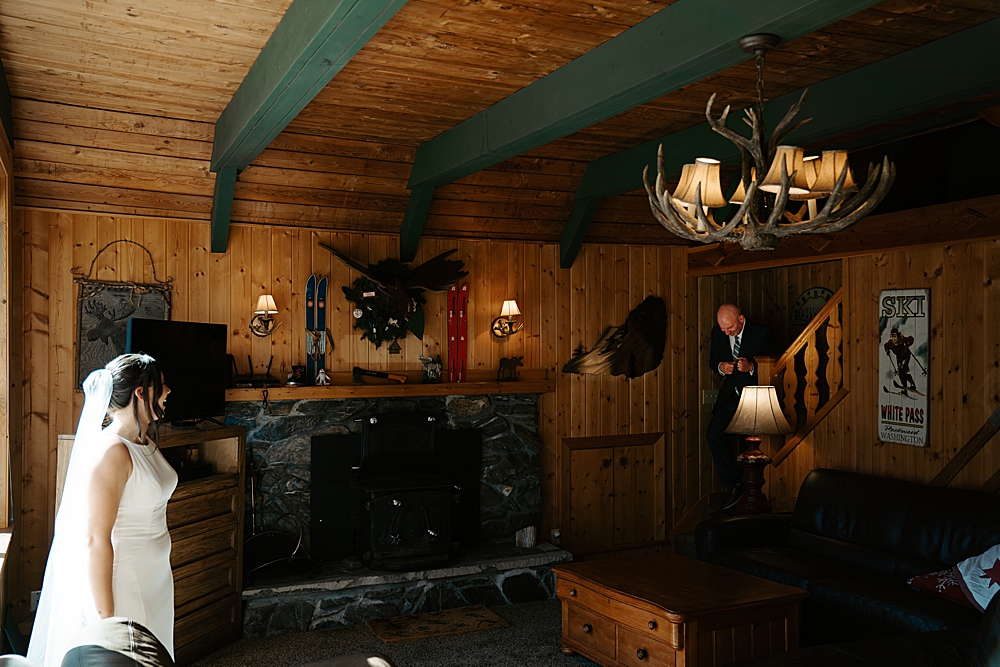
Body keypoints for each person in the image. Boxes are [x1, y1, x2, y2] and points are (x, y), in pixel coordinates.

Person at [28, 354, 178, 667]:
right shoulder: (111, 451)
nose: (167, 391)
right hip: (126, 583)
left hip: (156, 578)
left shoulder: (143, 441)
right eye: (161, 385)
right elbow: (95, 539)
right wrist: (107, 621)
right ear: (141, 392)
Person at [707, 304, 779, 508]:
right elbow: (713, 361)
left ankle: (749, 489)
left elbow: (777, 365)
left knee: (745, 442)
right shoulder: (718, 333)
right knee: (714, 434)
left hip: (755, 396)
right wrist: (721, 367)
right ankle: (735, 484)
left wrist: (752, 368)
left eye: (729, 328)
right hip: (731, 396)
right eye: (723, 329)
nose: (726, 332)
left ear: (740, 319)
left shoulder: (762, 333)